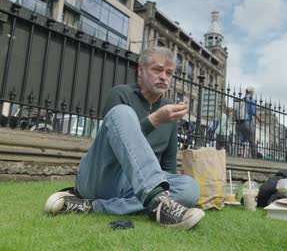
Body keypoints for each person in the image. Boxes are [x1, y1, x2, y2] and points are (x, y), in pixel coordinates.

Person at [44, 47, 205, 230]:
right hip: (104, 177)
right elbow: (115, 143)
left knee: (190, 188)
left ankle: (90, 206)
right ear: (140, 70)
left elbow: (167, 166)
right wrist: (155, 120)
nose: (164, 77)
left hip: (136, 188)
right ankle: (157, 201)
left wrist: (172, 186)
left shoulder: (171, 109)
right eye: (157, 70)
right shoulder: (120, 94)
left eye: (169, 73)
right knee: (121, 113)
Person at [235, 86, 261, 158]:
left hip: (238, 123)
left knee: (236, 141)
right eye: (253, 92)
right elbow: (253, 112)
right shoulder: (251, 100)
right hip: (247, 122)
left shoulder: (240, 100)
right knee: (252, 141)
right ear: (251, 92)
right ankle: (254, 158)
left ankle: (233, 156)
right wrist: (259, 119)